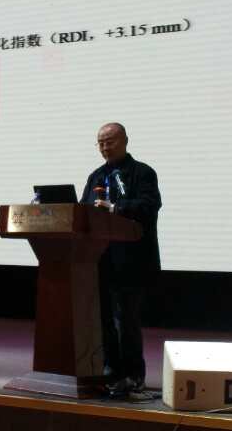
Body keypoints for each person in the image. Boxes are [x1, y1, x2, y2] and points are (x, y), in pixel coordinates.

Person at [80, 122, 161, 398]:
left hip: (132, 261)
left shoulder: (143, 172)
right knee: (102, 320)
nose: (105, 147)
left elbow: (149, 206)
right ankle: (111, 372)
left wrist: (115, 208)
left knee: (126, 321)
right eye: (100, 142)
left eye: (110, 141)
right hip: (99, 260)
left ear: (125, 141)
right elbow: (84, 211)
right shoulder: (96, 176)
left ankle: (134, 376)